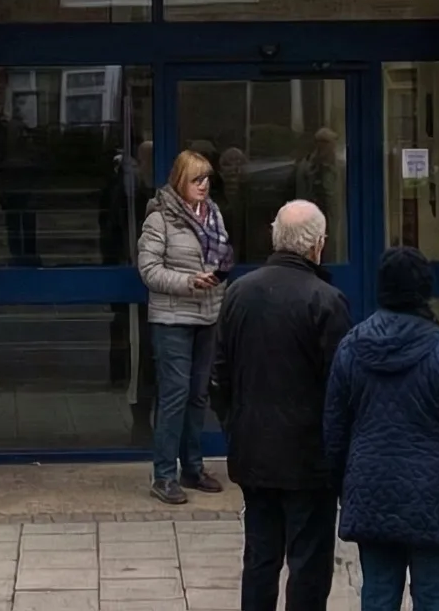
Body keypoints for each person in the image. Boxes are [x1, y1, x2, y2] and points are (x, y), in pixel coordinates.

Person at [326, 247, 439, 611]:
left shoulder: (351, 348)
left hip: (371, 488)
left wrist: (341, 484)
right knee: (434, 597)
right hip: (434, 494)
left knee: (378, 594)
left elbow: (335, 430)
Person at [213, 200, 352, 611]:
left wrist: (234, 425)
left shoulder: (239, 292)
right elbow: (341, 386)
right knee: (308, 564)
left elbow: (219, 374)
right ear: (317, 246)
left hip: (254, 451)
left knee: (260, 557)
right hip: (308, 460)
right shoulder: (326, 300)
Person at [138, 148, 233, 505]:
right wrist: (190, 281)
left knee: (198, 396)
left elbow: (222, 252)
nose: (204, 185)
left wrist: (221, 270)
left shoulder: (213, 214)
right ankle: (163, 475)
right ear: (180, 180)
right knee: (175, 396)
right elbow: (149, 271)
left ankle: (192, 468)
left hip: (208, 315)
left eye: (207, 178)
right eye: (196, 179)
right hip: (173, 319)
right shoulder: (159, 219)